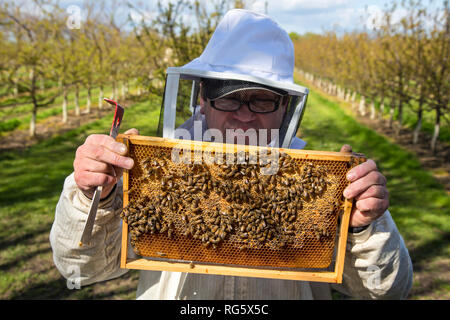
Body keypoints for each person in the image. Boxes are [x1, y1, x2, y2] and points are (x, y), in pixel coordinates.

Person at [50, 9, 413, 299]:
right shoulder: (151, 173)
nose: (244, 114)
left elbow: (387, 291)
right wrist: (92, 196)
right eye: (228, 96)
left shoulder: (324, 187)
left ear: (284, 108)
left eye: (261, 99)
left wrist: (366, 228)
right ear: (203, 101)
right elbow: (82, 269)